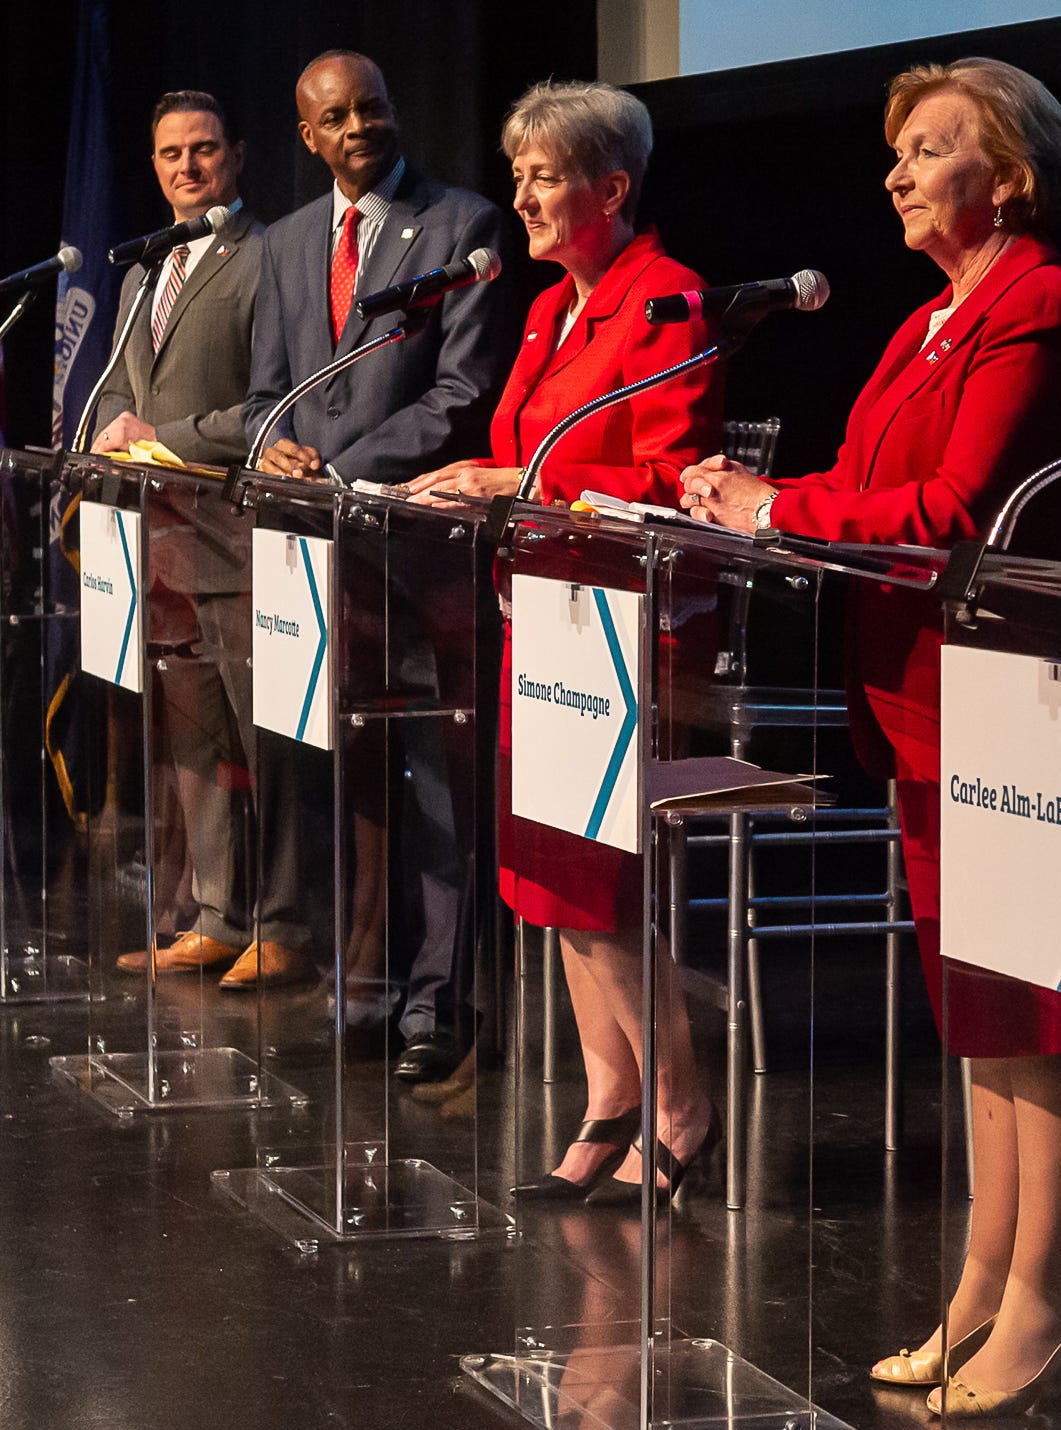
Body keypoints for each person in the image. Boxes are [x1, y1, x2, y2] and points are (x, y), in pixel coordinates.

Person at [678, 58, 1061, 1414]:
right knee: (974, 1015)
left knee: (1034, 1021)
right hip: (928, 702)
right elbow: (860, 487)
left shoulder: (1033, 305)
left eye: (929, 148)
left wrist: (772, 512)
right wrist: (742, 496)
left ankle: (1041, 1302)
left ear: (1010, 172)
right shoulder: (927, 319)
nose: (897, 171)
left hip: (1018, 695)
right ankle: (977, 1286)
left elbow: (952, 511)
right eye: (897, 152)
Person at [404, 80, 724, 1204]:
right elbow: (527, 457)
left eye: (543, 178)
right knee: (548, 878)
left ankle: (680, 1105)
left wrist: (515, 481)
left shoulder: (667, 301)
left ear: (611, 187)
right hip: (540, 614)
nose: (522, 198)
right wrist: (482, 489)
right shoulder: (548, 309)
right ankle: (609, 1099)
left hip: (627, 628)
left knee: (597, 883)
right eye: (519, 175)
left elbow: (670, 482)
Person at [238, 50, 524, 1081]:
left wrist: (338, 471)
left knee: (438, 789)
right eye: (336, 117)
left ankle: (437, 1007)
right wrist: (272, 448)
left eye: (373, 108)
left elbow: (462, 395)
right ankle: (361, 981)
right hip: (320, 562)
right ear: (307, 136)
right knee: (347, 780)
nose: (359, 126)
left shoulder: (463, 226)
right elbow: (273, 388)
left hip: (423, 553)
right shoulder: (284, 243)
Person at [84, 91, 267, 977]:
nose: (186, 168)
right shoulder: (140, 272)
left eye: (203, 150)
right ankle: (215, 914)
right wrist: (116, 425)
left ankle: (277, 923)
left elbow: (265, 406)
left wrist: (159, 440)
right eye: (169, 155)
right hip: (157, 540)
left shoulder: (266, 257)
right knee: (190, 734)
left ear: (235, 155)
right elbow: (121, 385)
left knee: (252, 737)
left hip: (237, 534)